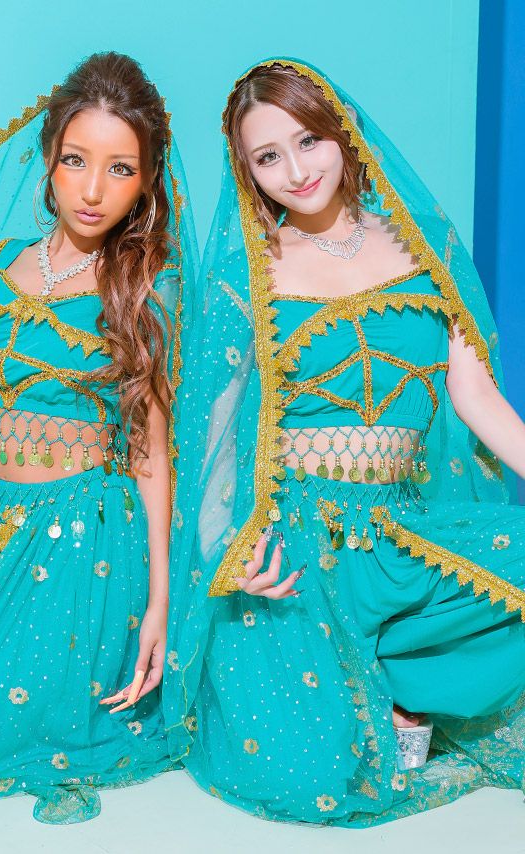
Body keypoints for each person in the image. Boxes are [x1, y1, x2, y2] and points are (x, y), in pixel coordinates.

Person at [164, 57, 525, 826]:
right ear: (247, 170)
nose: (296, 171)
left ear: (344, 132)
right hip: (292, 551)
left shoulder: (426, 251)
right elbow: (211, 437)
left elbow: (477, 399)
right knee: (312, 783)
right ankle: (363, 695)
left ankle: (397, 684)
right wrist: (229, 552)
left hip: (399, 530)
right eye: (269, 157)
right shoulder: (244, 277)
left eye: (308, 141)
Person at [0, 51, 196, 824]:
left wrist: (160, 600)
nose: (92, 191)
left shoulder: (143, 287)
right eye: (76, 160)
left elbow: (151, 452)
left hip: (82, 542)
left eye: (120, 170)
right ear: (49, 158)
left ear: (147, 182)